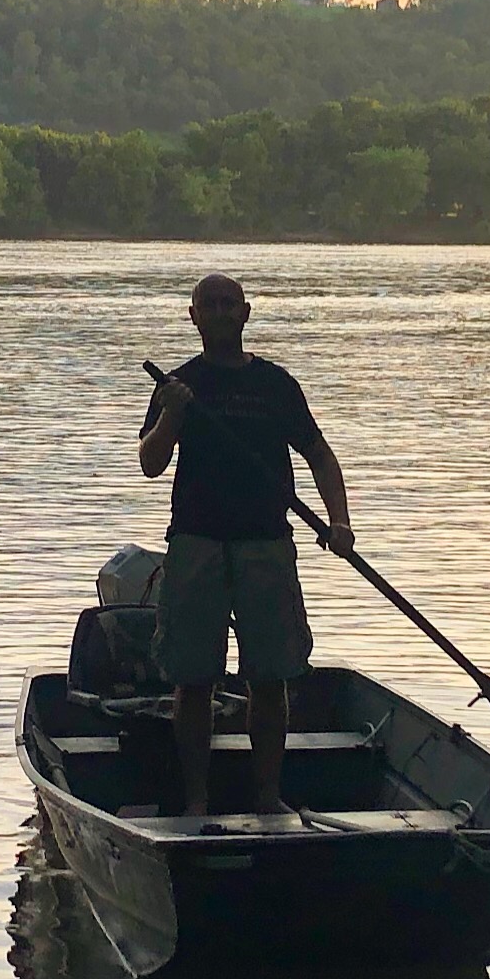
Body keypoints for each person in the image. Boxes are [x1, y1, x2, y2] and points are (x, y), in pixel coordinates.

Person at [135, 271, 351, 817]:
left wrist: (339, 522)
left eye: (230, 304)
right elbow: (150, 464)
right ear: (194, 317)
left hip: (265, 545)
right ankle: (195, 800)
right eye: (210, 305)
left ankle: (266, 797)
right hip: (196, 544)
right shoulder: (176, 386)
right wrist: (174, 415)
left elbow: (320, 457)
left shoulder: (276, 385)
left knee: (270, 676)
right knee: (192, 678)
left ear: (246, 313)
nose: (222, 312)